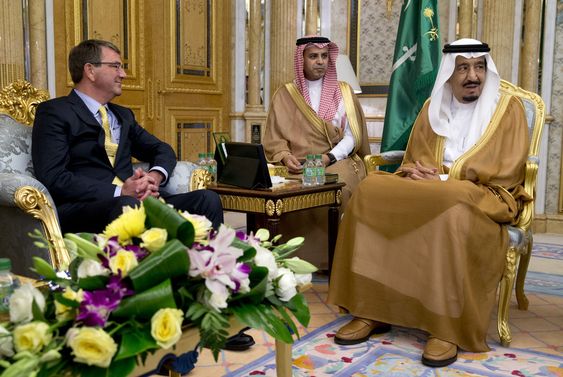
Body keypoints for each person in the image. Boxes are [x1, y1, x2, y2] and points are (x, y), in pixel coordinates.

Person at [31, 39, 252, 351]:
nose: (123, 73)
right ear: (90, 70)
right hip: (85, 208)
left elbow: (161, 149)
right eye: (116, 66)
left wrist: (154, 175)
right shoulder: (55, 113)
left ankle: (206, 305)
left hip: (135, 201)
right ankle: (147, 316)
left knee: (207, 199)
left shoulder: (122, 115)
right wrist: (120, 189)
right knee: (126, 206)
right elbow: (53, 177)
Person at [327, 38, 530, 368]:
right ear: (449, 73)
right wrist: (421, 172)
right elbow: (417, 159)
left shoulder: (507, 110)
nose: (472, 76)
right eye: (462, 67)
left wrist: (445, 179)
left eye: (478, 67)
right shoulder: (431, 108)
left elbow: (508, 170)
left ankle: (445, 327)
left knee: (453, 202)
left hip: (482, 197)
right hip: (432, 191)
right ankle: (371, 309)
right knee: (371, 190)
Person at [262, 35, 370, 270]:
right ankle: (289, 258)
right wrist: (284, 156)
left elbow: (353, 137)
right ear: (301, 60)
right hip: (297, 164)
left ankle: (335, 259)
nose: (320, 61)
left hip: (336, 159)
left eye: (323, 56)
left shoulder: (343, 92)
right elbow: (274, 138)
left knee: (337, 184)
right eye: (313, 56)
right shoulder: (285, 94)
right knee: (276, 188)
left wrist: (328, 157)